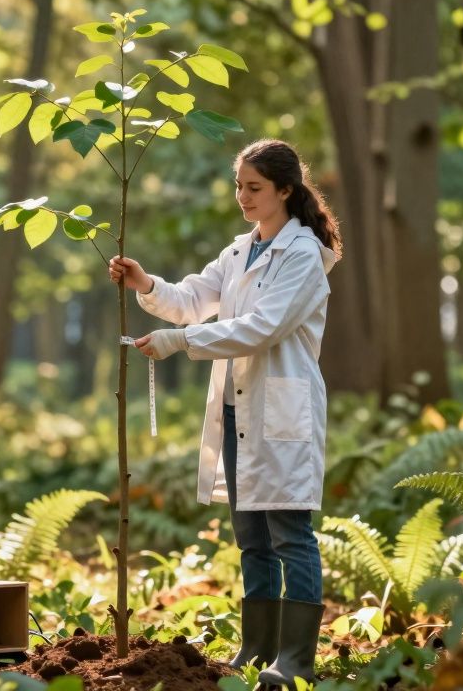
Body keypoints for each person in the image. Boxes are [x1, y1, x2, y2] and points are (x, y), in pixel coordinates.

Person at [107, 138, 341, 687]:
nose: (243, 196)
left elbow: (262, 328)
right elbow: (194, 297)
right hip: (238, 409)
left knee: (289, 531)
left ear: (286, 190)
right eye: (239, 185)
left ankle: (295, 660)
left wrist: (178, 343)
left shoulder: (303, 255)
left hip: (281, 410)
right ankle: (257, 649)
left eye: (254, 187)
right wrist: (147, 284)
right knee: (251, 535)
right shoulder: (240, 251)